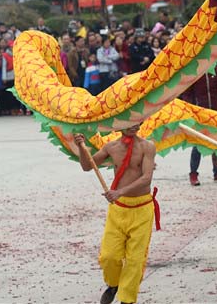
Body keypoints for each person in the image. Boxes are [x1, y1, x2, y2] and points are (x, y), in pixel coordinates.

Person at [73, 124, 159, 304]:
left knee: (135, 260)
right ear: (120, 124)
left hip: (142, 208)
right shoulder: (111, 147)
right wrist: (81, 147)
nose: (134, 126)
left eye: (138, 121)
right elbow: (87, 166)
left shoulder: (147, 146)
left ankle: (127, 300)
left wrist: (120, 191)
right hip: (118, 209)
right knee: (109, 256)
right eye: (129, 121)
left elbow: (146, 177)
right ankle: (113, 285)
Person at [182, 68, 217, 186]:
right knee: (198, 145)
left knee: (216, 143)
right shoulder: (194, 71)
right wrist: (189, 109)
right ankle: (193, 174)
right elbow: (186, 94)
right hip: (200, 114)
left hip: (215, 113)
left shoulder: (213, 68)